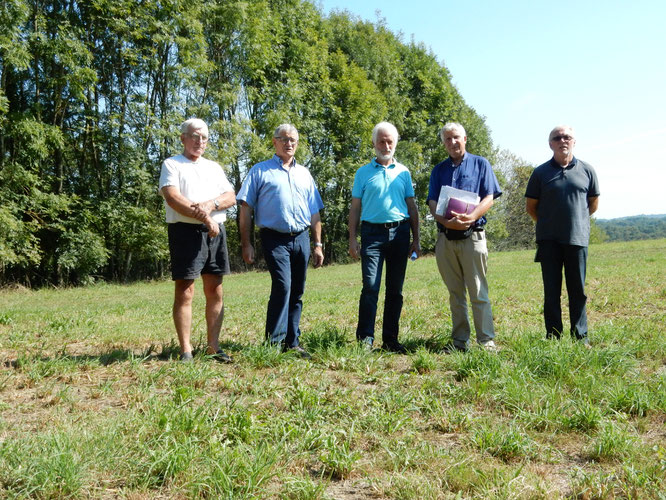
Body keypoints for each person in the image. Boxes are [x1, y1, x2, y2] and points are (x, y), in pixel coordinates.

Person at [237, 124, 324, 358]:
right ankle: (273, 344)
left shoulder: (304, 173)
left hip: (302, 238)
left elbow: (315, 212)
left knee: (297, 290)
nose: (289, 143)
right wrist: (246, 243)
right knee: (283, 286)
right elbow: (245, 209)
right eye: (284, 139)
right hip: (274, 238)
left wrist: (318, 245)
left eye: (293, 140)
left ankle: (292, 342)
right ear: (274, 142)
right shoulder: (259, 171)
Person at [159, 118, 236, 362]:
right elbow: (173, 198)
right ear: (183, 138)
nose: (199, 141)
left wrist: (211, 205)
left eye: (203, 137)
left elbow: (230, 196)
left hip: (216, 233)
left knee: (215, 289)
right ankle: (186, 350)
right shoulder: (172, 164)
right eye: (194, 136)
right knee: (186, 291)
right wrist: (207, 219)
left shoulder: (214, 167)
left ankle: (214, 347)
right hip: (185, 231)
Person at [427, 122, 501, 352]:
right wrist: (443, 220)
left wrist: (471, 217)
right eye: (447, 139)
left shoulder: (481, 164)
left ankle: (486, 341)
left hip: (473, 237)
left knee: (478, 290)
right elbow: (432, 201)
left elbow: (489, 196)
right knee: (455, 293)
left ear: (465, 138)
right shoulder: (438, 170)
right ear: (443, 143)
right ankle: (460, 342)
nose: (452, 142)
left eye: (456, 137)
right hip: (446, 239)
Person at [348, 122, 420, 353]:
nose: (386, 145)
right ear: (374, 143)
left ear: (395, 143)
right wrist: (352, 238)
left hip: (400, 233)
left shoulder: (404, 172)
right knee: (370, 286)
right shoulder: (362, 173)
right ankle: (365, 340)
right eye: (382, 141)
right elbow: (355, 208)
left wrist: (416, 239)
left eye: (390, 141)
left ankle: (390, 340)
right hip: (372, 235)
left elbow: (412, 206)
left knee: (395, 290)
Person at [525, 125, 600, 345]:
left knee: (578, 291)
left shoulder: (587, 170)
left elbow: (592, 203)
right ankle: (553, 337)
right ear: (550, 144)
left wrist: (575, 222)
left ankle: (580, 337)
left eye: (567, 137)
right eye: (557, 138)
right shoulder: (540, 173)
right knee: (551, 292)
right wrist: (549, 224)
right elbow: (531, 207)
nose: (562, 140)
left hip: (577, 240)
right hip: (549, 241)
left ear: (574, 142)